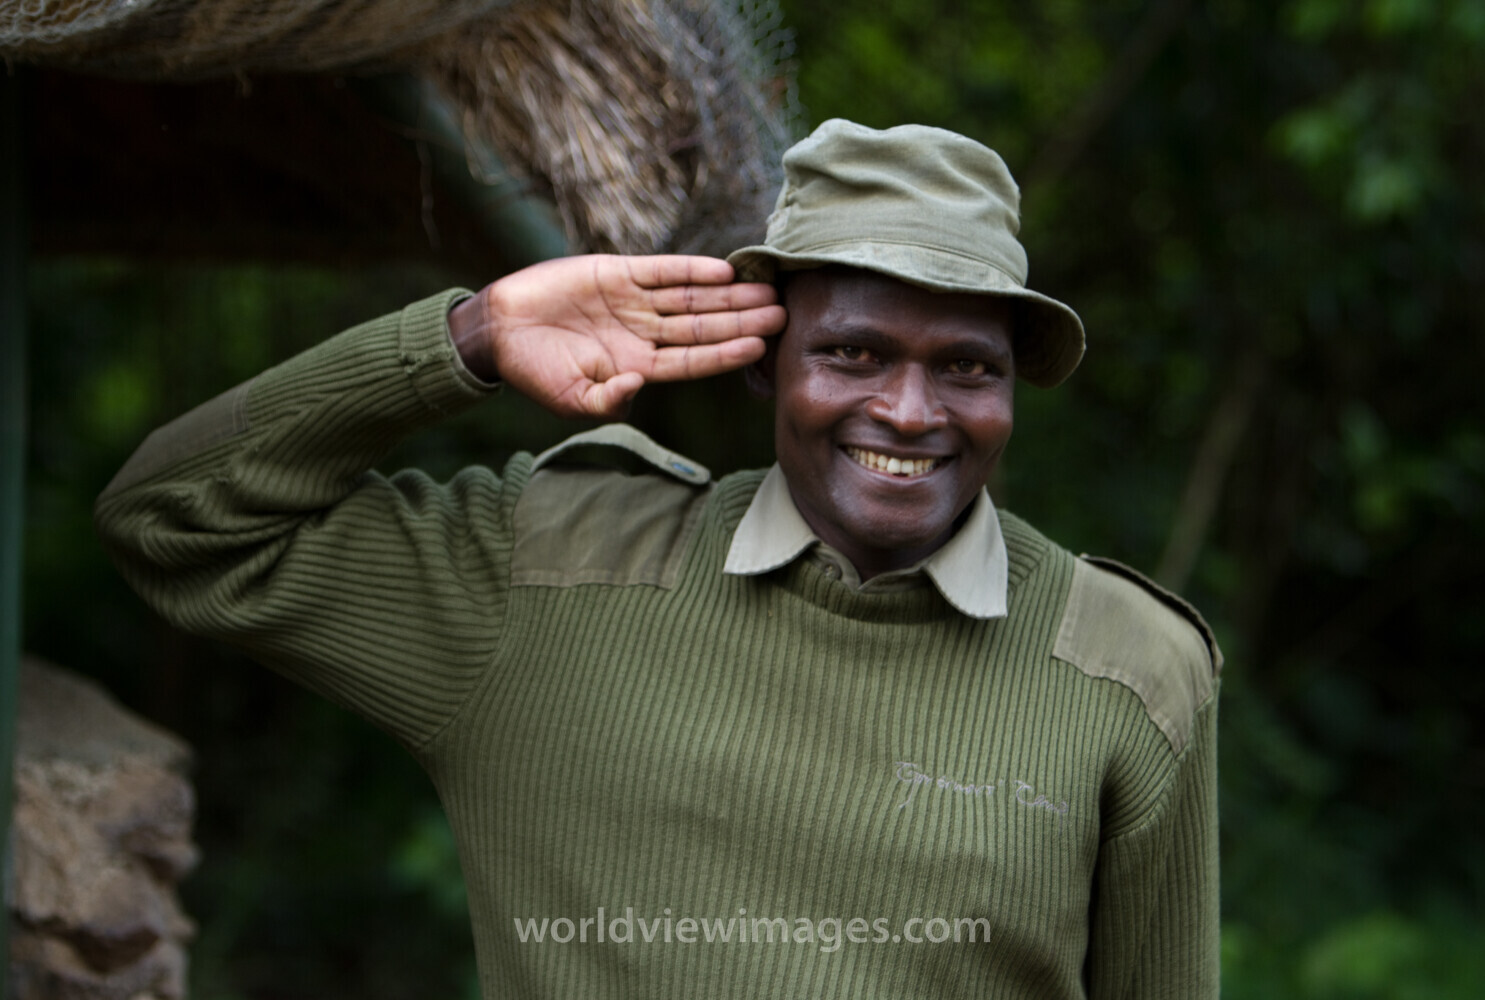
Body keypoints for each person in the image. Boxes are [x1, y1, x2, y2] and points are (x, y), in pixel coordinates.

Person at [96, 119, 1222, 999]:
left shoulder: (1127, 665)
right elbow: (171, 518)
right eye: (853, 351)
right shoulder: (551, 567)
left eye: (967, 367)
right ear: (760, 362)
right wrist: (467, 340)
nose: (911, 409)